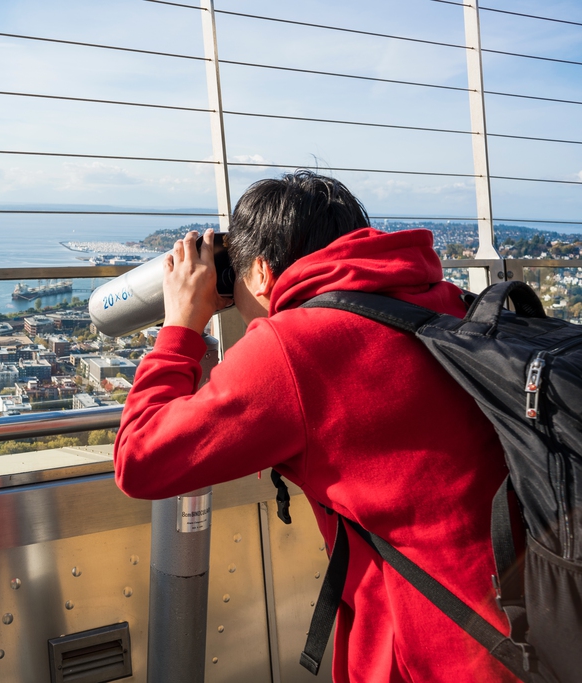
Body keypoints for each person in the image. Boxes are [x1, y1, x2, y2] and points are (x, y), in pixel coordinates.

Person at [113, 171, 518, 683]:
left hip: (433, 655)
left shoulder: (294, 346)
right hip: (536, 621)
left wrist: (180, 326)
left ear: (259, 273)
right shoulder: (453, 302)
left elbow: (140, 459)